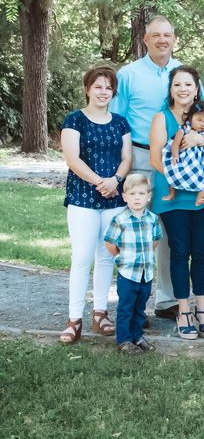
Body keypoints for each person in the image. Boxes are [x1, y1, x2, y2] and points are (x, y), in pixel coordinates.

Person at [110, 15, 183, 320]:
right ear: (145, 39)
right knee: (134, 228)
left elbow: (199, 113)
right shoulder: (128, 74)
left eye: (167, 35)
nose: (162, 40)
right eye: (156, 35)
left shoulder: (183, 72)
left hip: (175, 161)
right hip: (139, 157)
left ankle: (166, 300)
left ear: (174, 39)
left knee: (167, 231)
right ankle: (130, 302)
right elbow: (116, 119)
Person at [149, 66, 204, 340]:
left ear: (197, 88)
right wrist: (184, 179)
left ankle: (203, 310)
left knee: (202, 251)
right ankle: (184, 311)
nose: (183, 89)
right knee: (179, 251)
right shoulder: (162, 118)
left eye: (188, 84)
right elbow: (155, 159)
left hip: (203, 196)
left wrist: (200, 140)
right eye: (177, 85)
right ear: (170, 90)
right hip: (173, 195)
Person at [59, 66, 132, 345]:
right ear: (87, 89)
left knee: (106, 256)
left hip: (114, 196)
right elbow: (72, 159)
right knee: (82, 257)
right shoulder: (74, 120)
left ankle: (100, 312)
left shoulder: (120, 122)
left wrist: (115, 180)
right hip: (83, 197)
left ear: (113, 92)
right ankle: (74, 319)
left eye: (108, 88)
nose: (103, 92)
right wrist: (99, 181)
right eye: (98, 86)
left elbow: (127, 158)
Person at [103, 174, 161, 354]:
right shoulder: (120, 220)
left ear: (148, 196)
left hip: (146, 273)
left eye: (141, 193)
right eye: (133, 193)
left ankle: (137, 336)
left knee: (140, 308)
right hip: (128, 273)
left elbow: (155, 240)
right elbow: (109, 242)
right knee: (126, 308)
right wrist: (121, 257)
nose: (137, 197)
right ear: (125, 196)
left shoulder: (152, 219)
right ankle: (124, 340)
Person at [161, 101, 204, 206]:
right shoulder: (184, 128)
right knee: (175, 172)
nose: (202, 124)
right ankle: (172, 193)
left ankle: (200, 198)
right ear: (191, 118)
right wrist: (175, 155)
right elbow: (175, 143)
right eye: (199, 120)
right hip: (185, 158)